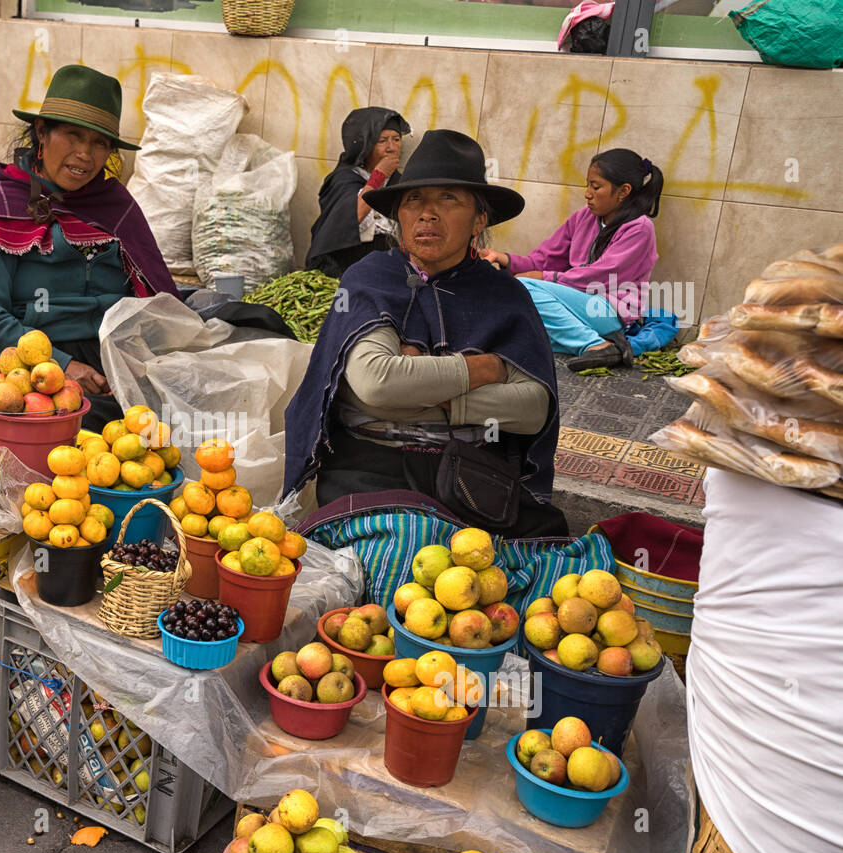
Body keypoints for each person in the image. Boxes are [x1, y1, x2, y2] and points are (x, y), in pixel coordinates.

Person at [284, 129, 567, 539]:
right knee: (400, 556)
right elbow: (376, 383)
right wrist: (481, 368)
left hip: (473, 473)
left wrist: (423, 391)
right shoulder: (371, 278)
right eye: (414, 199)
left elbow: (532, 409)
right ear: (399, 214)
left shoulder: (505, 295)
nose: (427, 213)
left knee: (549, 562)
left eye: (448, 198)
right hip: (370, 466)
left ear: (480, 219)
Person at [0, 64, 176, 430]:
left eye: (99, 143)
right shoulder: (2, 210)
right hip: (26, 368)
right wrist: (63, 365)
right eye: (73, 136)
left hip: (111, 359)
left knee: (189, 405)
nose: (85, 155)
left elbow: (153, 295)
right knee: (94, 429)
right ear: (42, 134)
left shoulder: (114, 206)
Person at [479, 149, 663, 371]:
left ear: (623, 191)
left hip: (608, 310)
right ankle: (601, 344)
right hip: (574, 304)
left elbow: (600, 276)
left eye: (596, 187)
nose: (587, 193)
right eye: (587, 185)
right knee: (509, 311)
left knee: (525, 287)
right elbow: (544, 259)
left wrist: (545, 277)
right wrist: (503, 258)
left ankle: (596, 346)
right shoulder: (583, 217)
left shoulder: (639, 228)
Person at [306, 108, 411, 278]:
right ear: (365, 146)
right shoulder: (344, 179)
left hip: (388, 267)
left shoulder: (400, 182)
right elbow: (354, 217)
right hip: (348, 266)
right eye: (382, 141)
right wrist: (378, 177)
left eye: (397, 140)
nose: (391, 147)